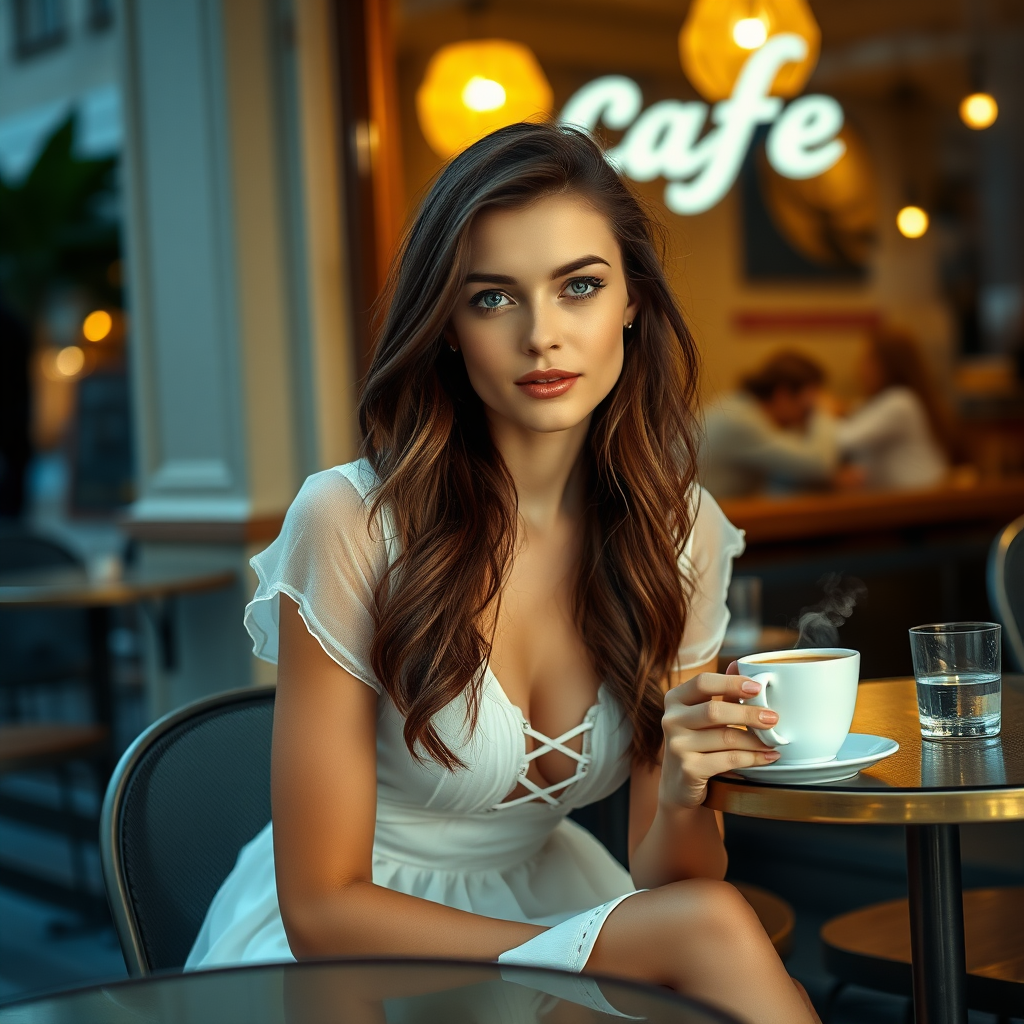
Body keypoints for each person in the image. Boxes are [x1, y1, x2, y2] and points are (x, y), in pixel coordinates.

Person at [186, 123, 819, 1024]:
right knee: (707, 940)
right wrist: (563, 955)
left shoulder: (683, 534)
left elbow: (671, 880)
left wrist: (684, 789)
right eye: (493, 299)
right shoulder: (352, 523)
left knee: (706, 934)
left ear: (632, 300)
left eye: (580, 287)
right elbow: (322, 910)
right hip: (356, 956)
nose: (542, 336)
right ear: (446, 325)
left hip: (558, 902)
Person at [700, 351, 841, 499]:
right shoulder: (740, 420)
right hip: (703, 517)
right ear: (783, 395)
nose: (804, 420)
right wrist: (823, 412)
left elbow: (785, 467)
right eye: (806, 409)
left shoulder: (740, 406)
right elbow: (819, 464)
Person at [837, 328, 952, 490]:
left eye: (868, 360)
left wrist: (812, 409)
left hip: (921, 500)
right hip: (903, 499)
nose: (859, 367)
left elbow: (843, 439)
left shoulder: (900, 402)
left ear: (888, 364)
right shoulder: (883, 402)